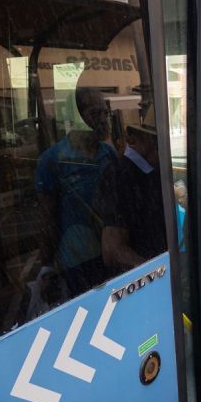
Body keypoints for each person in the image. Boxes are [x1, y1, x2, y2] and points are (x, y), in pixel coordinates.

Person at [35, 87, 117, 296]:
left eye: (104, 113)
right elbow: (48, 219)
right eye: (94, 114)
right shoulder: (53, 160)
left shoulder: (108, 153)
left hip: (113, 251)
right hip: (78, 263)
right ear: (76, 117)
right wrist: (46, 266)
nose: (102, 120)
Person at [96, 124, 167, 273]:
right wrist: (157, 273)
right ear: (147, 141)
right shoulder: (120, 175)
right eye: (160, 141)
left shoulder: (152, 170)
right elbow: (112, 250)